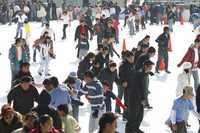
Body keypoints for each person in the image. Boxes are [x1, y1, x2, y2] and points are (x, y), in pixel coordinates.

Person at [125, 60, 154, 133]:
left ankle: (135, 128)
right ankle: (129, 131)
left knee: (140, 116)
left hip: (141, 99)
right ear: (145, 66)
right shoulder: (139, 74)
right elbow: (136, 88)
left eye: (151, 67)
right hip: (135, 99)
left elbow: (144, 86)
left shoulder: (144, 73)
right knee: (133, 117)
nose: (151, 69)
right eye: (149, 67)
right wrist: (142, 99)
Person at [116, 51, 135, 116]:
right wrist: (124, 81)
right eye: (131, 58)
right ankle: (122, 113)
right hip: (124, 85)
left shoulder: (132, 64)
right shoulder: (123, 65)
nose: (132, 59)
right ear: (127, 58)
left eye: (133, 58)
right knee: (123, 98)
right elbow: (121, 75)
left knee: (130, 100)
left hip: (131, 85)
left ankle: (129, 113)